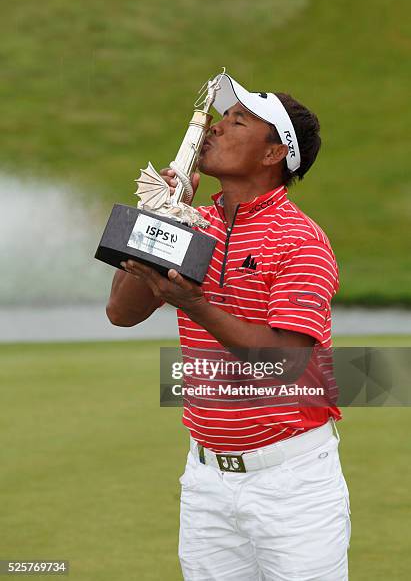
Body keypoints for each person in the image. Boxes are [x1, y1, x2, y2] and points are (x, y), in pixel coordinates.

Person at [106, 73, 351, 580]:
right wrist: (164, 218)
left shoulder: (301, 241)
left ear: (272, 155)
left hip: (292, 483)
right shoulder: (194, 222)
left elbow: (287, 361)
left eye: (237, 120)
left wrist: (194, 304)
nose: (215, 128)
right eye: (221, 118)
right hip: (206, 481)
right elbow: (122, 312)